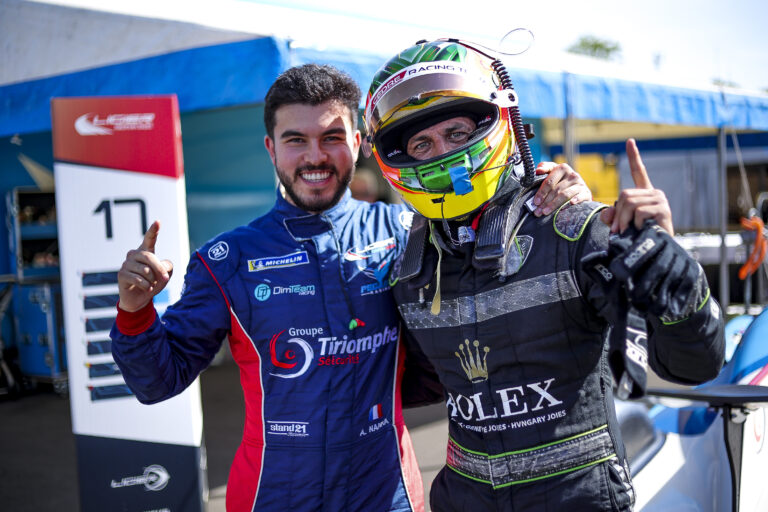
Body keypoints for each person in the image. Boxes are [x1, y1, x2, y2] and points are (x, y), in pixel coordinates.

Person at [110, 63, 593, 512]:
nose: (315, 156)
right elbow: (157, 381)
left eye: (332, 137)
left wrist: (551, 195)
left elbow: (502, 263)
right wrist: (135, 311)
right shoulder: (228, 259)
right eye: (296, 139)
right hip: (272, 493)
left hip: (386, 492)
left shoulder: (414, 232)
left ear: (360, 142)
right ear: (270, 148)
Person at [363, 39, 725, 511]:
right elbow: (417, 383)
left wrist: (679, 278)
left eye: (456, 132)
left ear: (497, 123)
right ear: (397, 156)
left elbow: (693, 367)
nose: (443, 153)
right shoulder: (409, 268)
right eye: (422, 143)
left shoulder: (576, 228)